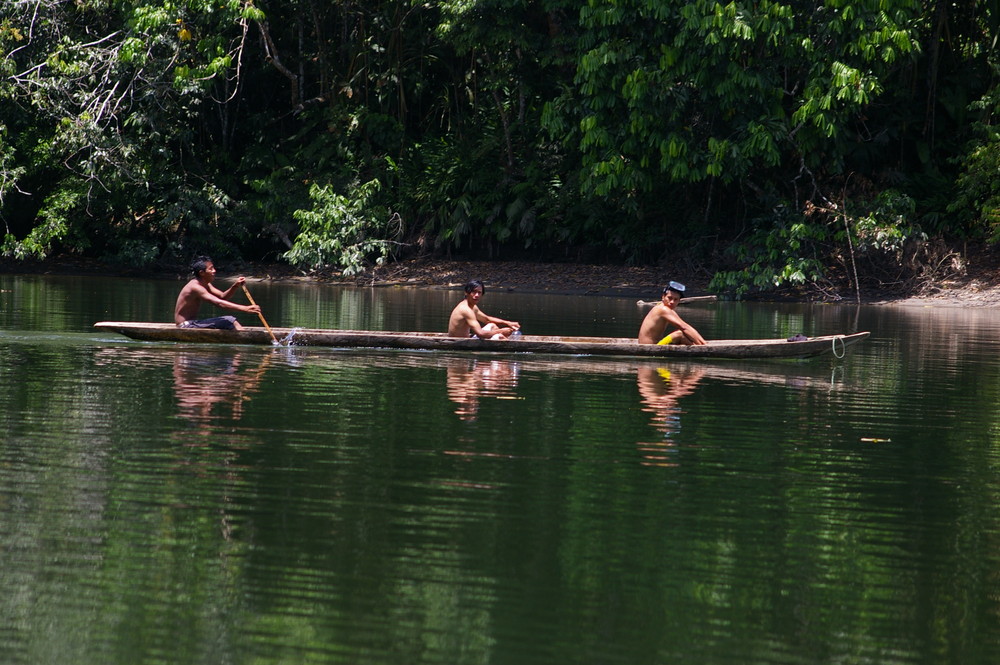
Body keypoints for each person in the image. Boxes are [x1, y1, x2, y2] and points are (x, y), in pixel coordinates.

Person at [174, 256, 260, 329]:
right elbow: (218, 303)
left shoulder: (205, 284)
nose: (214, 271)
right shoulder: (195, 287)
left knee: (229, 321)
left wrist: (235, 285)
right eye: (211, 269)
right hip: (185, 326)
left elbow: (222, 296)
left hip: (192, 323)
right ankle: (244, 340)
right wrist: (245, 308)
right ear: (202, 273)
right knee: (230, 320)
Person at [637, 281, 707, 345]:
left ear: (679, 301)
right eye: (670, 298)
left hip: (655, 345)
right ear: (663, 297)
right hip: (650, 347)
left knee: (683, 333)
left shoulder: (666, 309)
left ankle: (699, 345)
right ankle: (702, 347)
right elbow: (684, 327)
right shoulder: (663, 309)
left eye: (675, 299)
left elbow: (684, 325)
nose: (672, 302)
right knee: (679, 334)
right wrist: (704, 345)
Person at [448, 279, 520, 339]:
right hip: (460, 343)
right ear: (466, 293)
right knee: (499, 336)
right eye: (474, 292)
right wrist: (501, 331)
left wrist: (508, 323)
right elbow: (480, 333)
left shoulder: (472, 307)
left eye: (479, 293)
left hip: (466, 340)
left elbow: (487, 319)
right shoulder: (465, 310)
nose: (477, 295)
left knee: (492, 325)